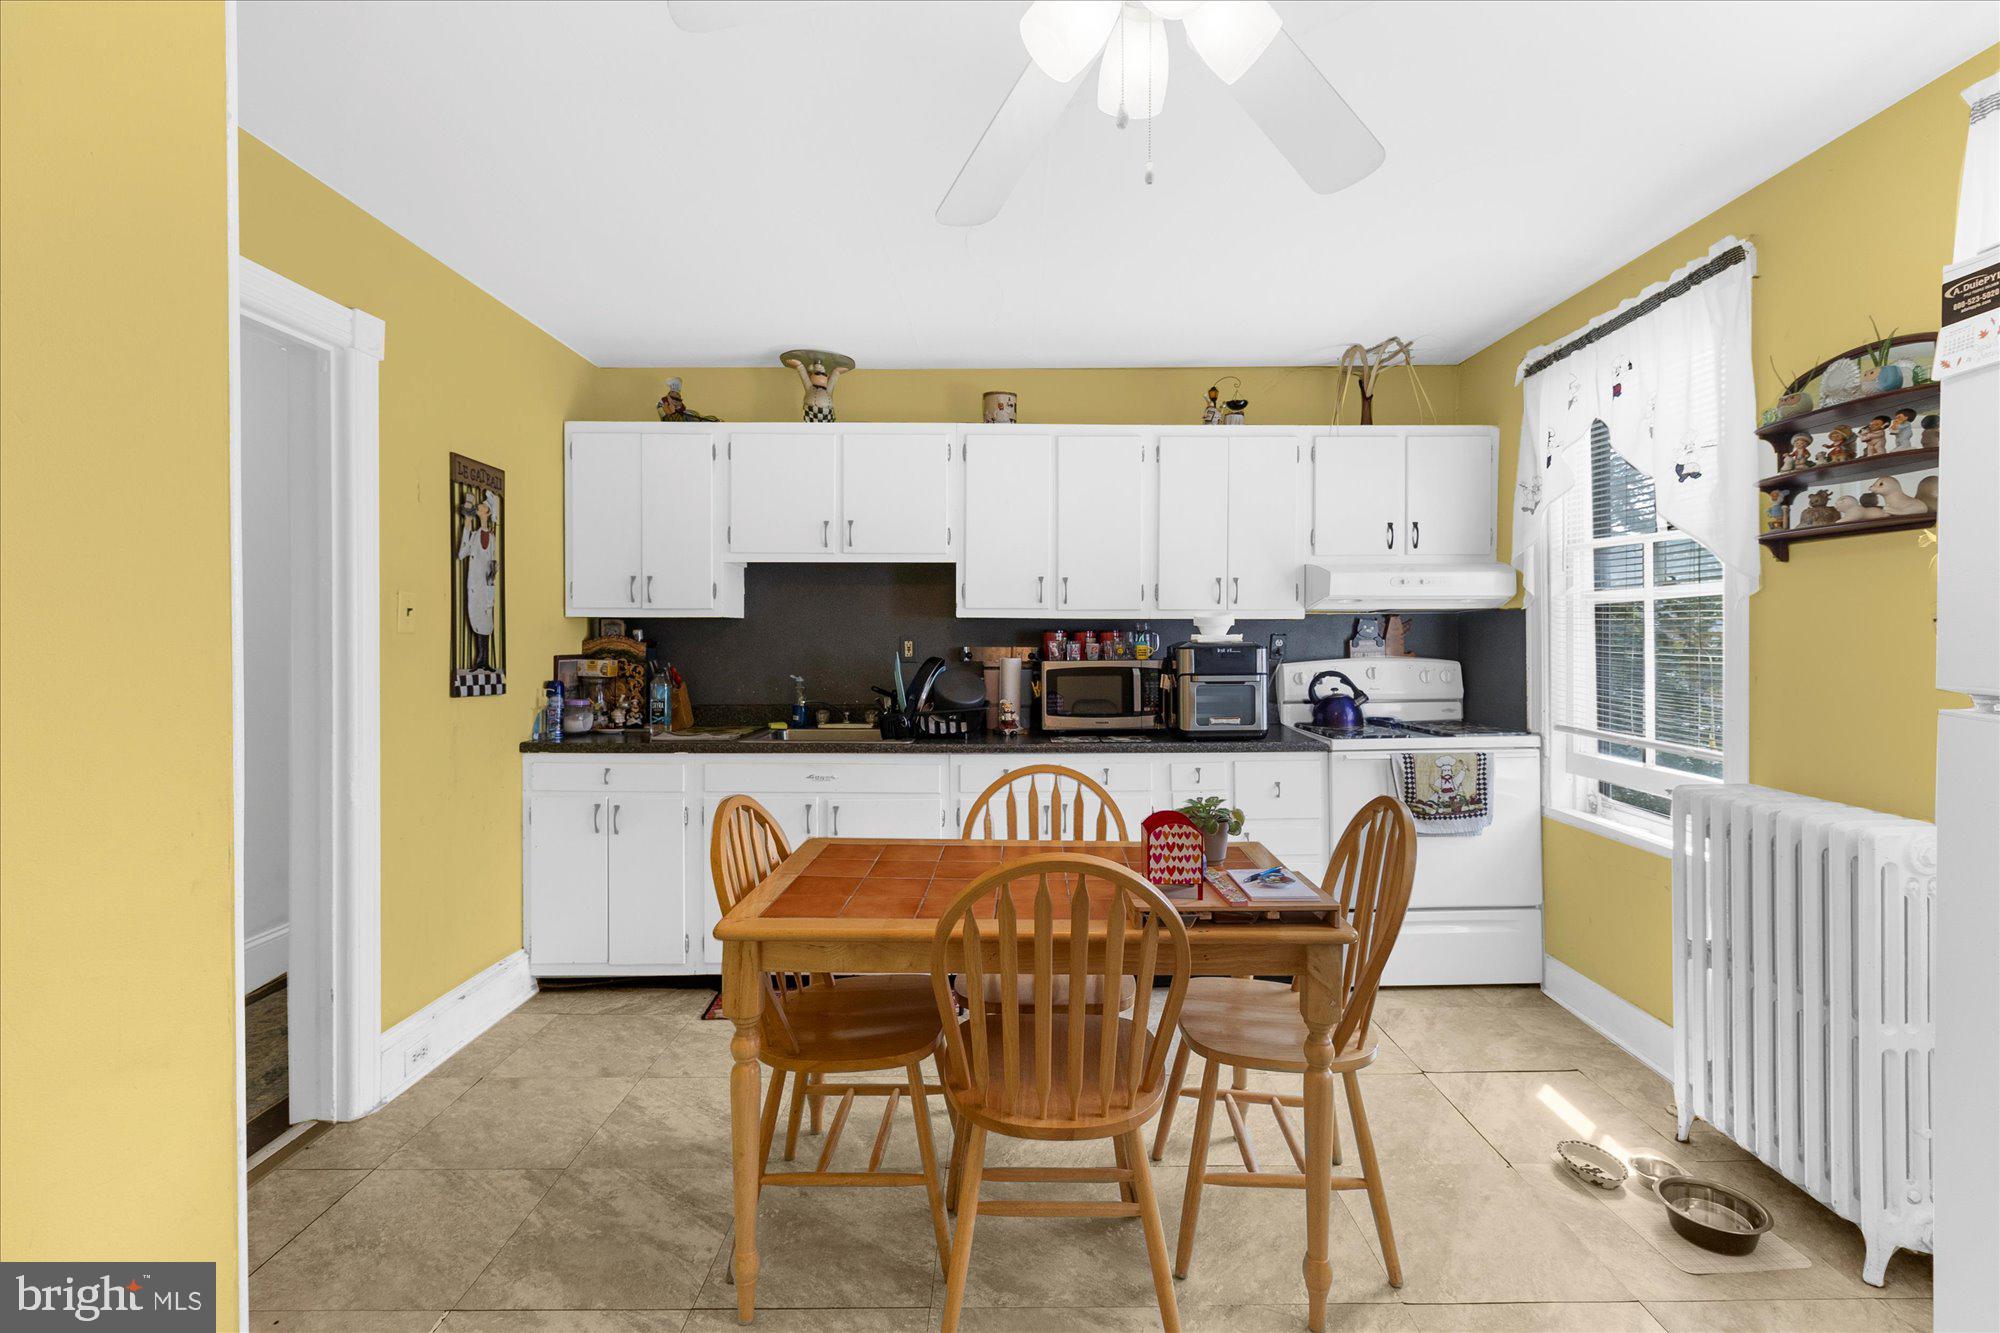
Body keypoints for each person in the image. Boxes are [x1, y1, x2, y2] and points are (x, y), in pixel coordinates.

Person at [458, 488, 499, 671]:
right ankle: (480, 659)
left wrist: (492, 576)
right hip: (475, 585)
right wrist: (467, 522)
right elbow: (462, 553)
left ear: (487, 512)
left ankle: (484, 659)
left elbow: (491, 561)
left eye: (481, 506)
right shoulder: (474, 536)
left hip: (486, 585)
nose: (478, 507)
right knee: (476, 616)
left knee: (486, 620)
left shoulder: (491, 537)